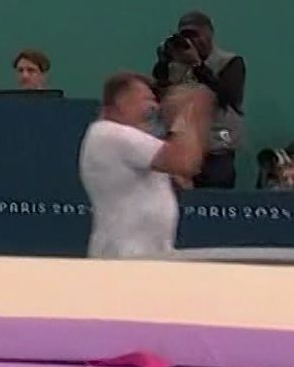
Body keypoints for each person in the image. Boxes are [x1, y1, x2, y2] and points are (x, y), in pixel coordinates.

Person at [79, 72, 212, 259]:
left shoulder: (133, 144)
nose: (155, 107)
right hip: (123, 260)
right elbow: (184, 161)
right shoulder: (108, 133)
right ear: (117, 106)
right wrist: (187, 114)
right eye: (147, 100)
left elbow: (187, 166)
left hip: (149, 257)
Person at [151, 11, 245, 188]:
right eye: (185, 36)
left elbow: (228, 97)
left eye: (195, 35)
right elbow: (158, 94)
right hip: (180, 147)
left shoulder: (230, 62)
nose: (190, 41)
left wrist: (197, 65)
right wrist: (164, 61)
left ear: (209, 33)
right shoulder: (175, 64)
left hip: (217, 148)